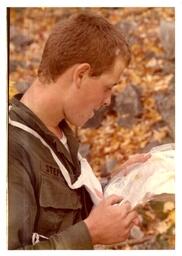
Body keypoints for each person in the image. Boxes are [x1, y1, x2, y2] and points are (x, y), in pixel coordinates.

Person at [8, 12, 150, 249]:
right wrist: (90, 234)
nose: (108, 100)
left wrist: (115, 184)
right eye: (107, 87)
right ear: (81, 75)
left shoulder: (59, 130)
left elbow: (62, 207)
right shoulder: (11, 150)